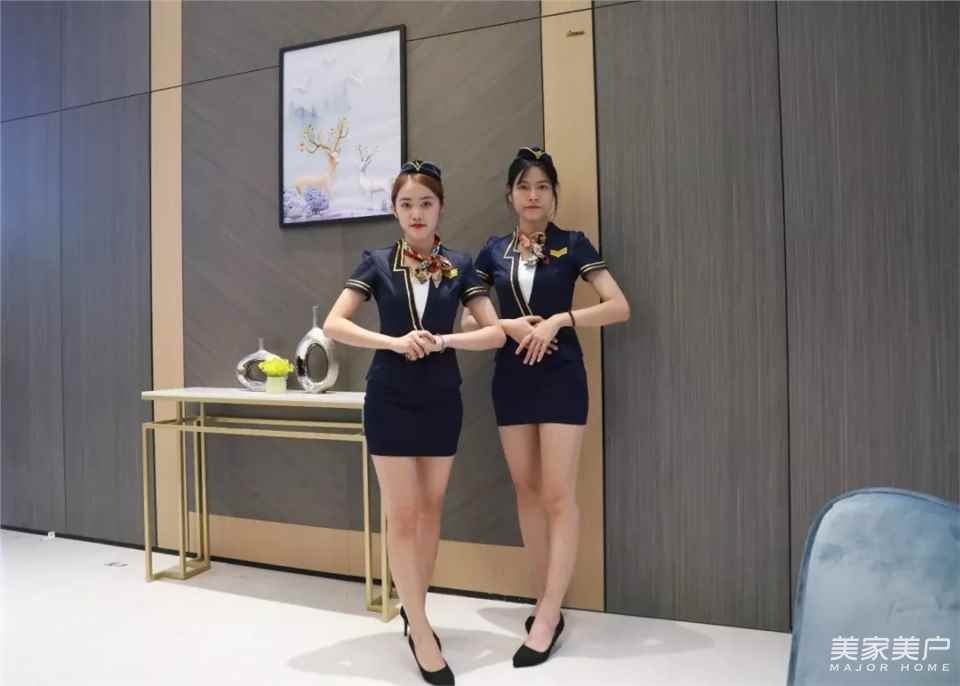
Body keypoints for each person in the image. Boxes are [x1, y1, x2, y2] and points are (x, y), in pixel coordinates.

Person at [324, 160, 504, 685]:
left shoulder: (461, 265)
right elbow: (335, 323)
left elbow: (494, 333)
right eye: (406, 204)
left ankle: (414, 609)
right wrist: (393, 342)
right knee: (402, 515)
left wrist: (444, 340)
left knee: (430, 511)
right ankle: (421, 629)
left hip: (443, 399)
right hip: (390, 398)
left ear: (440, 207)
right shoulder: (376, 262)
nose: (416, 212)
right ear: (395, 211)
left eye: (426, 203)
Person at [462, 146, 630, 668]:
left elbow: (619, 306)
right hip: (511, 376)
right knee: (527, 491)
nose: (532, 196)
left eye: (542, 187)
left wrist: (561, 319)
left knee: (558, 494)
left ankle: (551, 614)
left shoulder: (572, 244)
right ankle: (544, 600)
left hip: (561, 376)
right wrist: (506, 326)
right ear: (509, 196)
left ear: (554, 195)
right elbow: (467, 319)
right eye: (523, 187)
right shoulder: (492, 252)